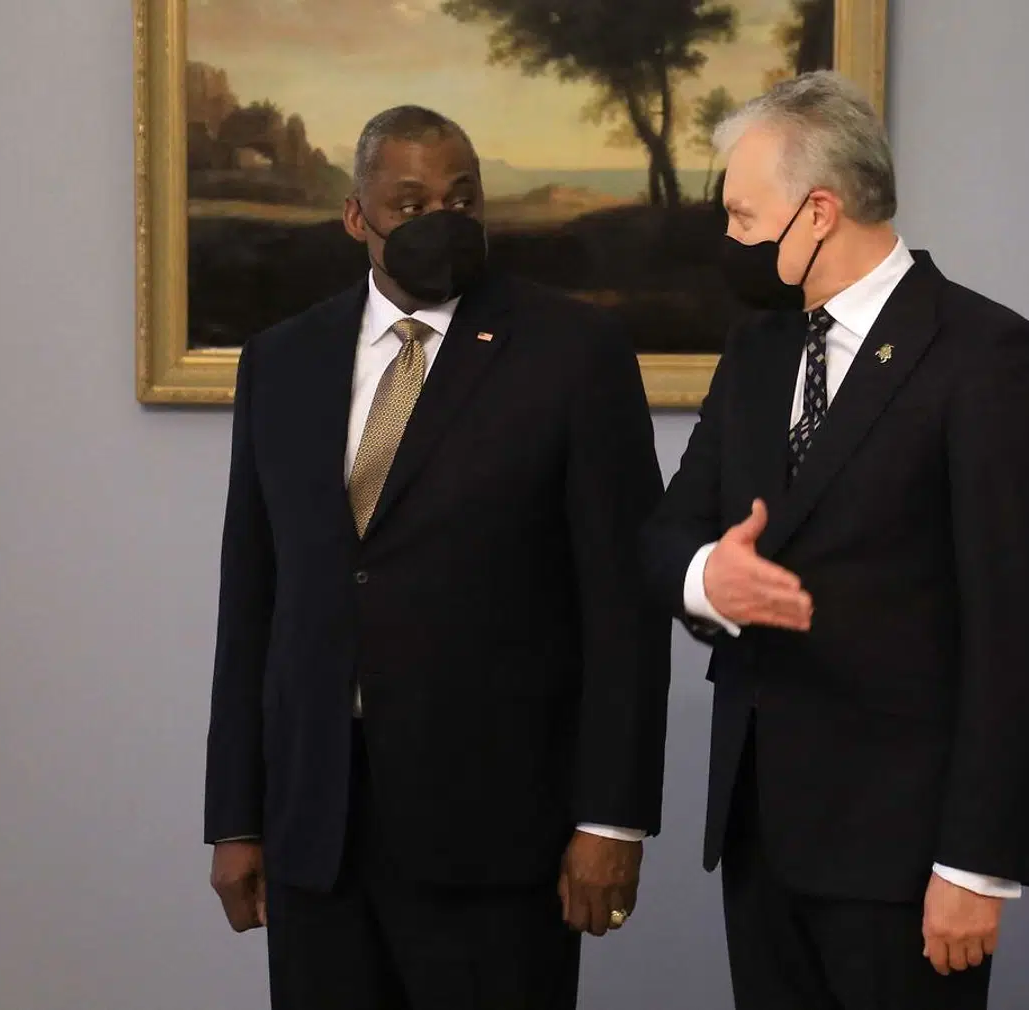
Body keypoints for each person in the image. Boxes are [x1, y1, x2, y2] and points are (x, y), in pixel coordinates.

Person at [204, 105, 671, 1010]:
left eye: (462, 199)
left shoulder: (574, 352)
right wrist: (236, 817)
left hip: (498, 833)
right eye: (411, 205)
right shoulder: (281, 361)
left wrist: (612, 818)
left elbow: (623, 602)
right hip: (316, 829)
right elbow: (252, 600)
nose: (442, 222)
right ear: (357, 217)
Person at [641, 72, 1029, 1010]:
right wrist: (710, 577)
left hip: (908, 858)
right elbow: (668, 531)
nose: (729, 240)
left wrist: (976, 866)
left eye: (743, 217)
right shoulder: (756, 349)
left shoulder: (985, 354)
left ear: (819, 211)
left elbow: (1015, 628)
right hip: (760, 835)